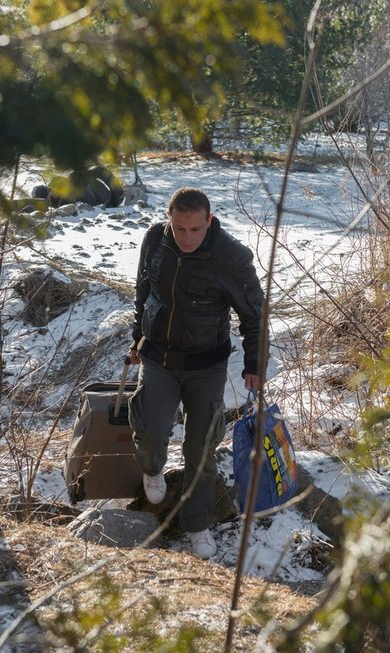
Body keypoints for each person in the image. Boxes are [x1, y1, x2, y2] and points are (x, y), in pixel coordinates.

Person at [128, 186, 264, 559]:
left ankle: (197, 525)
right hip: (159, 356)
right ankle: (152, 468)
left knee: (200, 448)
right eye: (179, 228)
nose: (185, 237)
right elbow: (144, 292)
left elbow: (255, 315)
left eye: (194, 229)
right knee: (152, 430)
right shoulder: (156, 239)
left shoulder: (231, 258)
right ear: (169, 220)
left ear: (209, 221)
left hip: (206, 365)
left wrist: (254, 365)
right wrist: (136, 337)